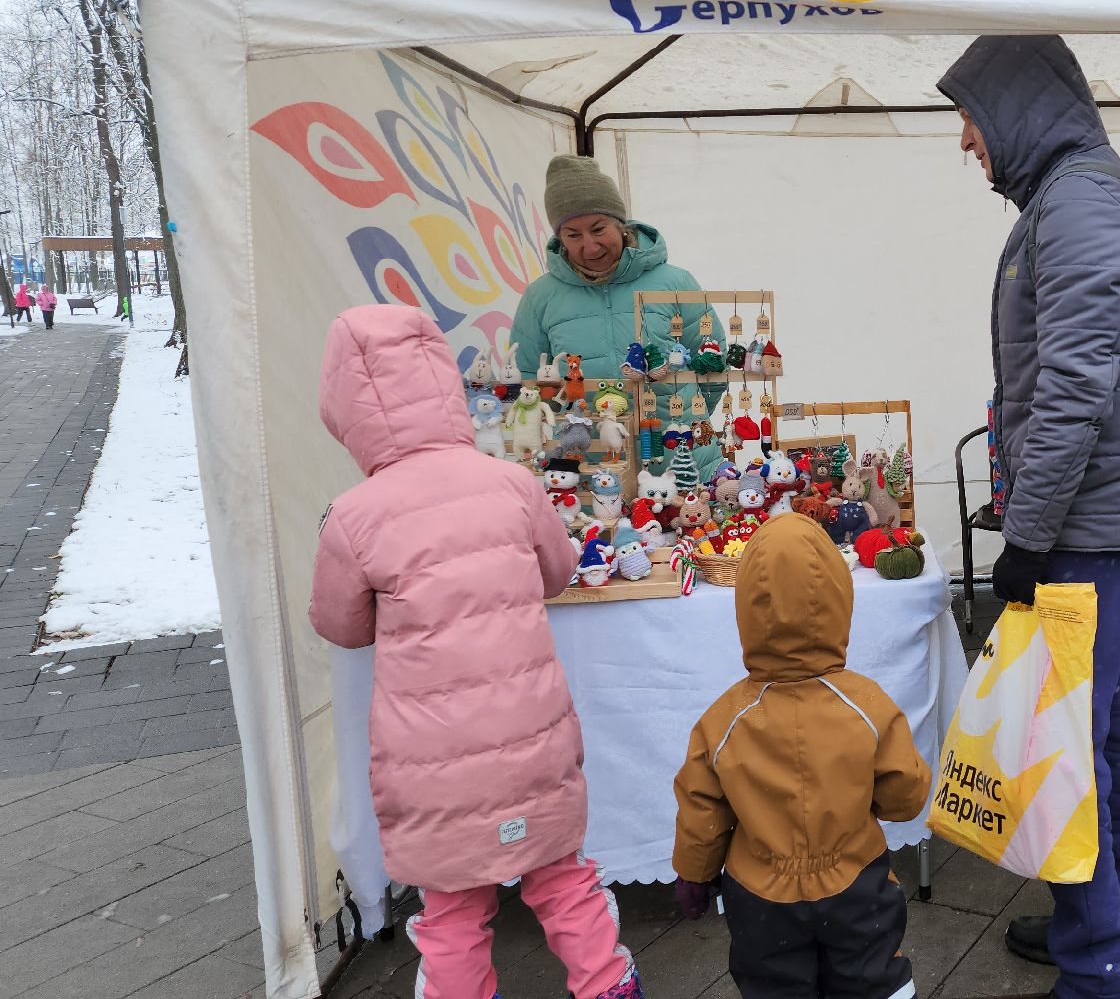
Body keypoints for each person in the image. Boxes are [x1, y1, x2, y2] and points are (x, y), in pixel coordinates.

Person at [936, 35, 1120, 998]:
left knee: (1071, 744)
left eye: (969, 117)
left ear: (1014, 110)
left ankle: (1101, 964)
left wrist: (1028, 533)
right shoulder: (1076, 193)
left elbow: (1073, 385)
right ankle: (1116, 924)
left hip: (1086, 529)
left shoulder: (1078, 200)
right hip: (1104, 520)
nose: (964, 140)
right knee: (1101, 732)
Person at [308, 304, 642, 999]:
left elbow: (341, 626)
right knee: (564, 882)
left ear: (348, 414)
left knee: (454, 910)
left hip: (432, 765)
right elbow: (555, 573)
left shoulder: (354, 515)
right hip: (532, 743)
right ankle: (609, 989)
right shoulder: (511, 484)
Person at [671, 513, 931, 999]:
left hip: (760, 895)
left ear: (746, 609)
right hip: (857, 882)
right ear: (838, 601)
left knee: (773, 987)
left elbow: (700, 806)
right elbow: (905, 796)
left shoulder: (723, 718)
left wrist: (694, 872)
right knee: (871, 977)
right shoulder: (867, 704)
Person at [510, 154, 724, 474]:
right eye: (573, 235)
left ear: (620, 224)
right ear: (559, 237)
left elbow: (714, 363)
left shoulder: (675, 282)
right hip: (592, 469)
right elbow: (528, 384)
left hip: (684, 463)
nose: (590, 246)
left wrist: (685, 414)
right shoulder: (540, 297)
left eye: (599, 229)